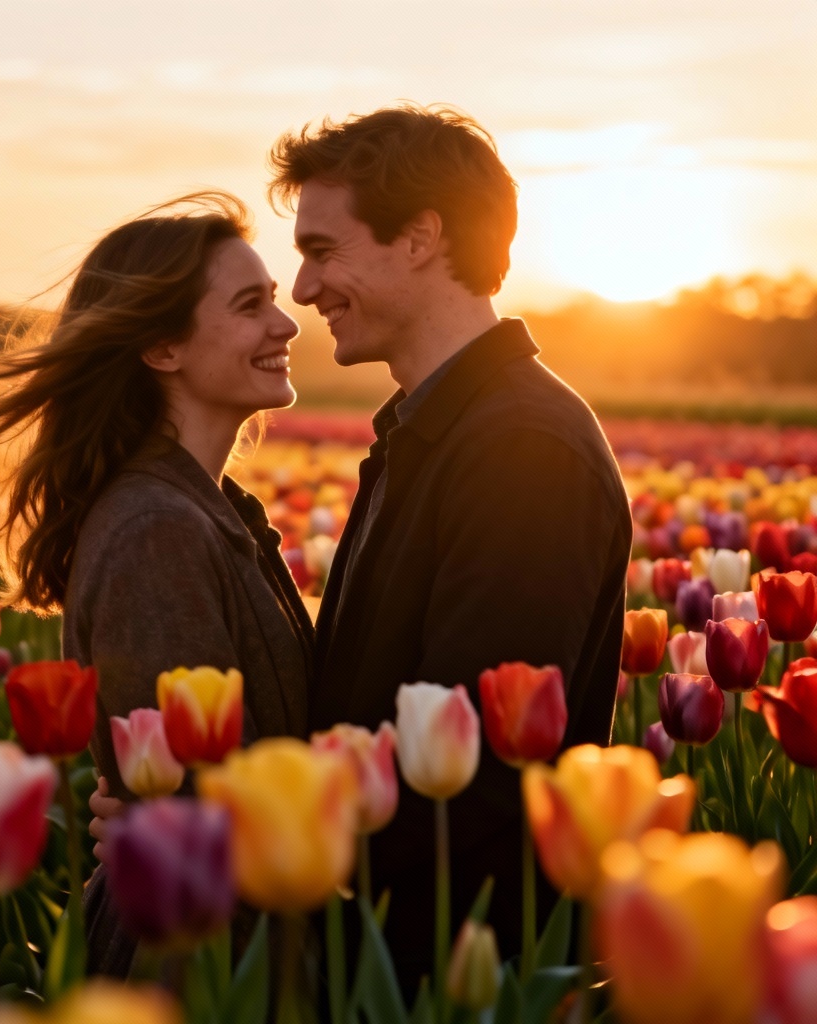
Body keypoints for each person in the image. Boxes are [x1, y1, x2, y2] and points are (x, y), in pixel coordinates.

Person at [268, 103, 632, 995]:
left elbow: (469, 771)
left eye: (322, 250)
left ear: (423, 237)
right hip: (392, 951)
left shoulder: (519, 447)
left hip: (455, 969)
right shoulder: (438, 428)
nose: (303, 290)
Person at [0, 191, 313, 976]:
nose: (288, 323)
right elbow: (185, 811)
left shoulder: (203, 508)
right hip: (200, 955)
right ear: (163, 347)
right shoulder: (157, 530)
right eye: (250, 304)